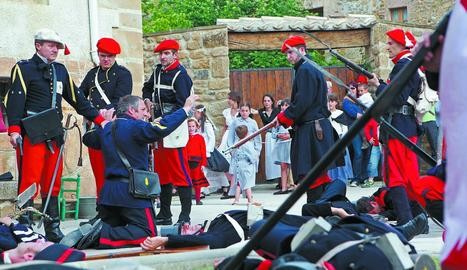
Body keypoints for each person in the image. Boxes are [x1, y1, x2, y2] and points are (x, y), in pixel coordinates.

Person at [4, 28, 107, 242]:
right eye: (50, 45)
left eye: (57, 46)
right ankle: (25, 229)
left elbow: (78, 99)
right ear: (38, 45)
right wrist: (14, 130)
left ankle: (52, 228)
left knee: (53, 182)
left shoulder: (60, 70)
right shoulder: (23, 68)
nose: (55, 49)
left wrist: (101, 120)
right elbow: (14, 100)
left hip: (54, 133)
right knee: (30, 183)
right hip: (31, 133)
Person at [78, 94, 198, 249]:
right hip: (132, 192)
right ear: (131, 111)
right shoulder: (136, 127)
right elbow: (163, 128)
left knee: (120, 229)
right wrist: (185, 109)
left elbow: (88, 139)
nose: (146, 113)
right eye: (143, 109)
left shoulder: (107, 127)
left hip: (108, 195)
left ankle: (102, 232)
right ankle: (102, 235)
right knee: (148, 235)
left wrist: (102, 122)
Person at [368, 29, 421, 227]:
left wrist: (378, 86)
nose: (387, 47)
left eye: (390, 43)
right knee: (409, 176)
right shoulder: (409, 65)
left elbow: (396, 98)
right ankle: (417, 217)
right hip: (406, 126)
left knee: (395, 176)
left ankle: (406, 219)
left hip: (398, 126)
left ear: (400, 44)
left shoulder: (403, 65)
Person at [79, 37, 132, 223]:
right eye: (103, 56)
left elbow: (121, 100)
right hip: (96, 126)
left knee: (114, 169)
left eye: (110, 56)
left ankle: (116, 209)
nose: (106, 60)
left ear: (115, 56)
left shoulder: (123, 74)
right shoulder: (92, 74)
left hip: (114, 127)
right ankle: (101, 210)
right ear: (98, 55)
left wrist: (105, 114)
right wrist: (91, 113)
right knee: (98, 168)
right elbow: (80, 96)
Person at [276, 35, 335, 203]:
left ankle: (316, 212)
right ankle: (320, 212)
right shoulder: (307, 68)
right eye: (286, 54)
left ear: (302, 50)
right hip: (314, 127)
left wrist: (284, 117)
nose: (288, 57)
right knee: (316, 175)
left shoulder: (306, 70)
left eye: (290, 53)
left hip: (313, 130)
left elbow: (303, 102)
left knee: (313, 176)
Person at [142, 39, 193, 225]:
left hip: (174, 129)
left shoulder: (181, 76)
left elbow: (182, 106)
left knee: (180, 172)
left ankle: (185, 215)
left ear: (175, 55)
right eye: (161, 54)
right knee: (162, 173)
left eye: (167, 53)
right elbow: (147, 88)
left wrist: (163, 120)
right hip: (158, 128)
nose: (163, 57)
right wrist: (147, 99)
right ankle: (165, 213)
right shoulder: (157, 71)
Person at [227, 103, 262, 201]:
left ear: (249, 111)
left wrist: (257, 150)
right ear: (239, 111)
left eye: (246, 111)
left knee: (248, 174)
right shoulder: (235, 122)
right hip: (238, 149)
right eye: (242, 111)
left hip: (249, 149)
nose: (244, 113)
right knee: (238, 173)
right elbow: (230, 136)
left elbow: (257, 137)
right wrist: (231, 148)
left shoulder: (253, 122)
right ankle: (236, 194)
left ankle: (247, 193)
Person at [193, 104, 226, 195]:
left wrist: (208, 151)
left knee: (209, 170)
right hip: (199, 151)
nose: (194, 114)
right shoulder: (198, 124)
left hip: (206, 151)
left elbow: (211, 138)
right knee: (205, 170)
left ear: (200, 113)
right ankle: (203, 189)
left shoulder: (206, 124)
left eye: (195, 112)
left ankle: (223, 186)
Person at [218, 91, 242, 199]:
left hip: (236, 136)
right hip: (227, 136)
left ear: (235, 99)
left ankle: (235, 186)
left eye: (230, 99)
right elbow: (224, 126)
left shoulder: (241, 111)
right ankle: (228, 184)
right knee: (223, 160)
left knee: (235, 160)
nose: (228, 101)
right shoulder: (226, 112)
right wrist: (220, 139)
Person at [342, 82, 366, 187]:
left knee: (365, 153)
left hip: (363, 129)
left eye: (353, 88)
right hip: (354, 130)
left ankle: (362, 177)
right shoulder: (346, 101)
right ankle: (355, 178)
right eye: (349, 88)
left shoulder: (359, 101)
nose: (351, 90)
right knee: (358, 153)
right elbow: (355, 114)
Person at [327, 94, 354, 185]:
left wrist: (343, 138)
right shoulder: (326, 114)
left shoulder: (340, 113)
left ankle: (342, 178)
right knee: (331, 160)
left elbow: (344, 127)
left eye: (332, 101)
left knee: (342, 159)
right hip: (329, 140)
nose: (330, 103)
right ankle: (331, 178)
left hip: (339, 139)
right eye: (328, 101)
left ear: (336, 102)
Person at [230, 125, 259, 205]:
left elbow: (233, 154)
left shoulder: (236, 144)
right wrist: (253, 160)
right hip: (246, 165)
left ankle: (236, 200)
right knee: (247, 183)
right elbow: (253, 156)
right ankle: (250, 200)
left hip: (238, 165)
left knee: (239, 183)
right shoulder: (247, 144)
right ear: (247, 134)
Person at [271, 99, 295, 195]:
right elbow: (273, 132)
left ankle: (296, 186)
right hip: (281, 144)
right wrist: (278, 135)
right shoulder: (278, 117)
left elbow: (297, 130)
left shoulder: (294, 117)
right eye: (282, 105)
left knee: (294, 165)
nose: (284, 107)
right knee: (283, 166)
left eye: (286, 105)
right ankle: (284, 188)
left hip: (291, 143)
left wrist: (289, 135)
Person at [258, 94, 281, 182]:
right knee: (269, 156)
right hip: (269, 135)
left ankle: (281, 179)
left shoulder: (276, 110)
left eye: (268, 101)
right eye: (265, 101)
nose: (266, 103)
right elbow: (267, 122)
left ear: (272, 102)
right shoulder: (261, 111)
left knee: (278, 156)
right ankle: (273, 177)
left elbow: (271, 121)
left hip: (276, 134)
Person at [186, 118, 209, 205]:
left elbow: (203, 151)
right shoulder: (185, 137)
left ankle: (198, 199)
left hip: (197, 162)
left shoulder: (200, 138)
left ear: (196, 127)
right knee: (187, 182)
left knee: (197, 182)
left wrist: (203, 164)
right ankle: (187, 200)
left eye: (193, 126)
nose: (191, 128)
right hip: (187, 162)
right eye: (189, 126)